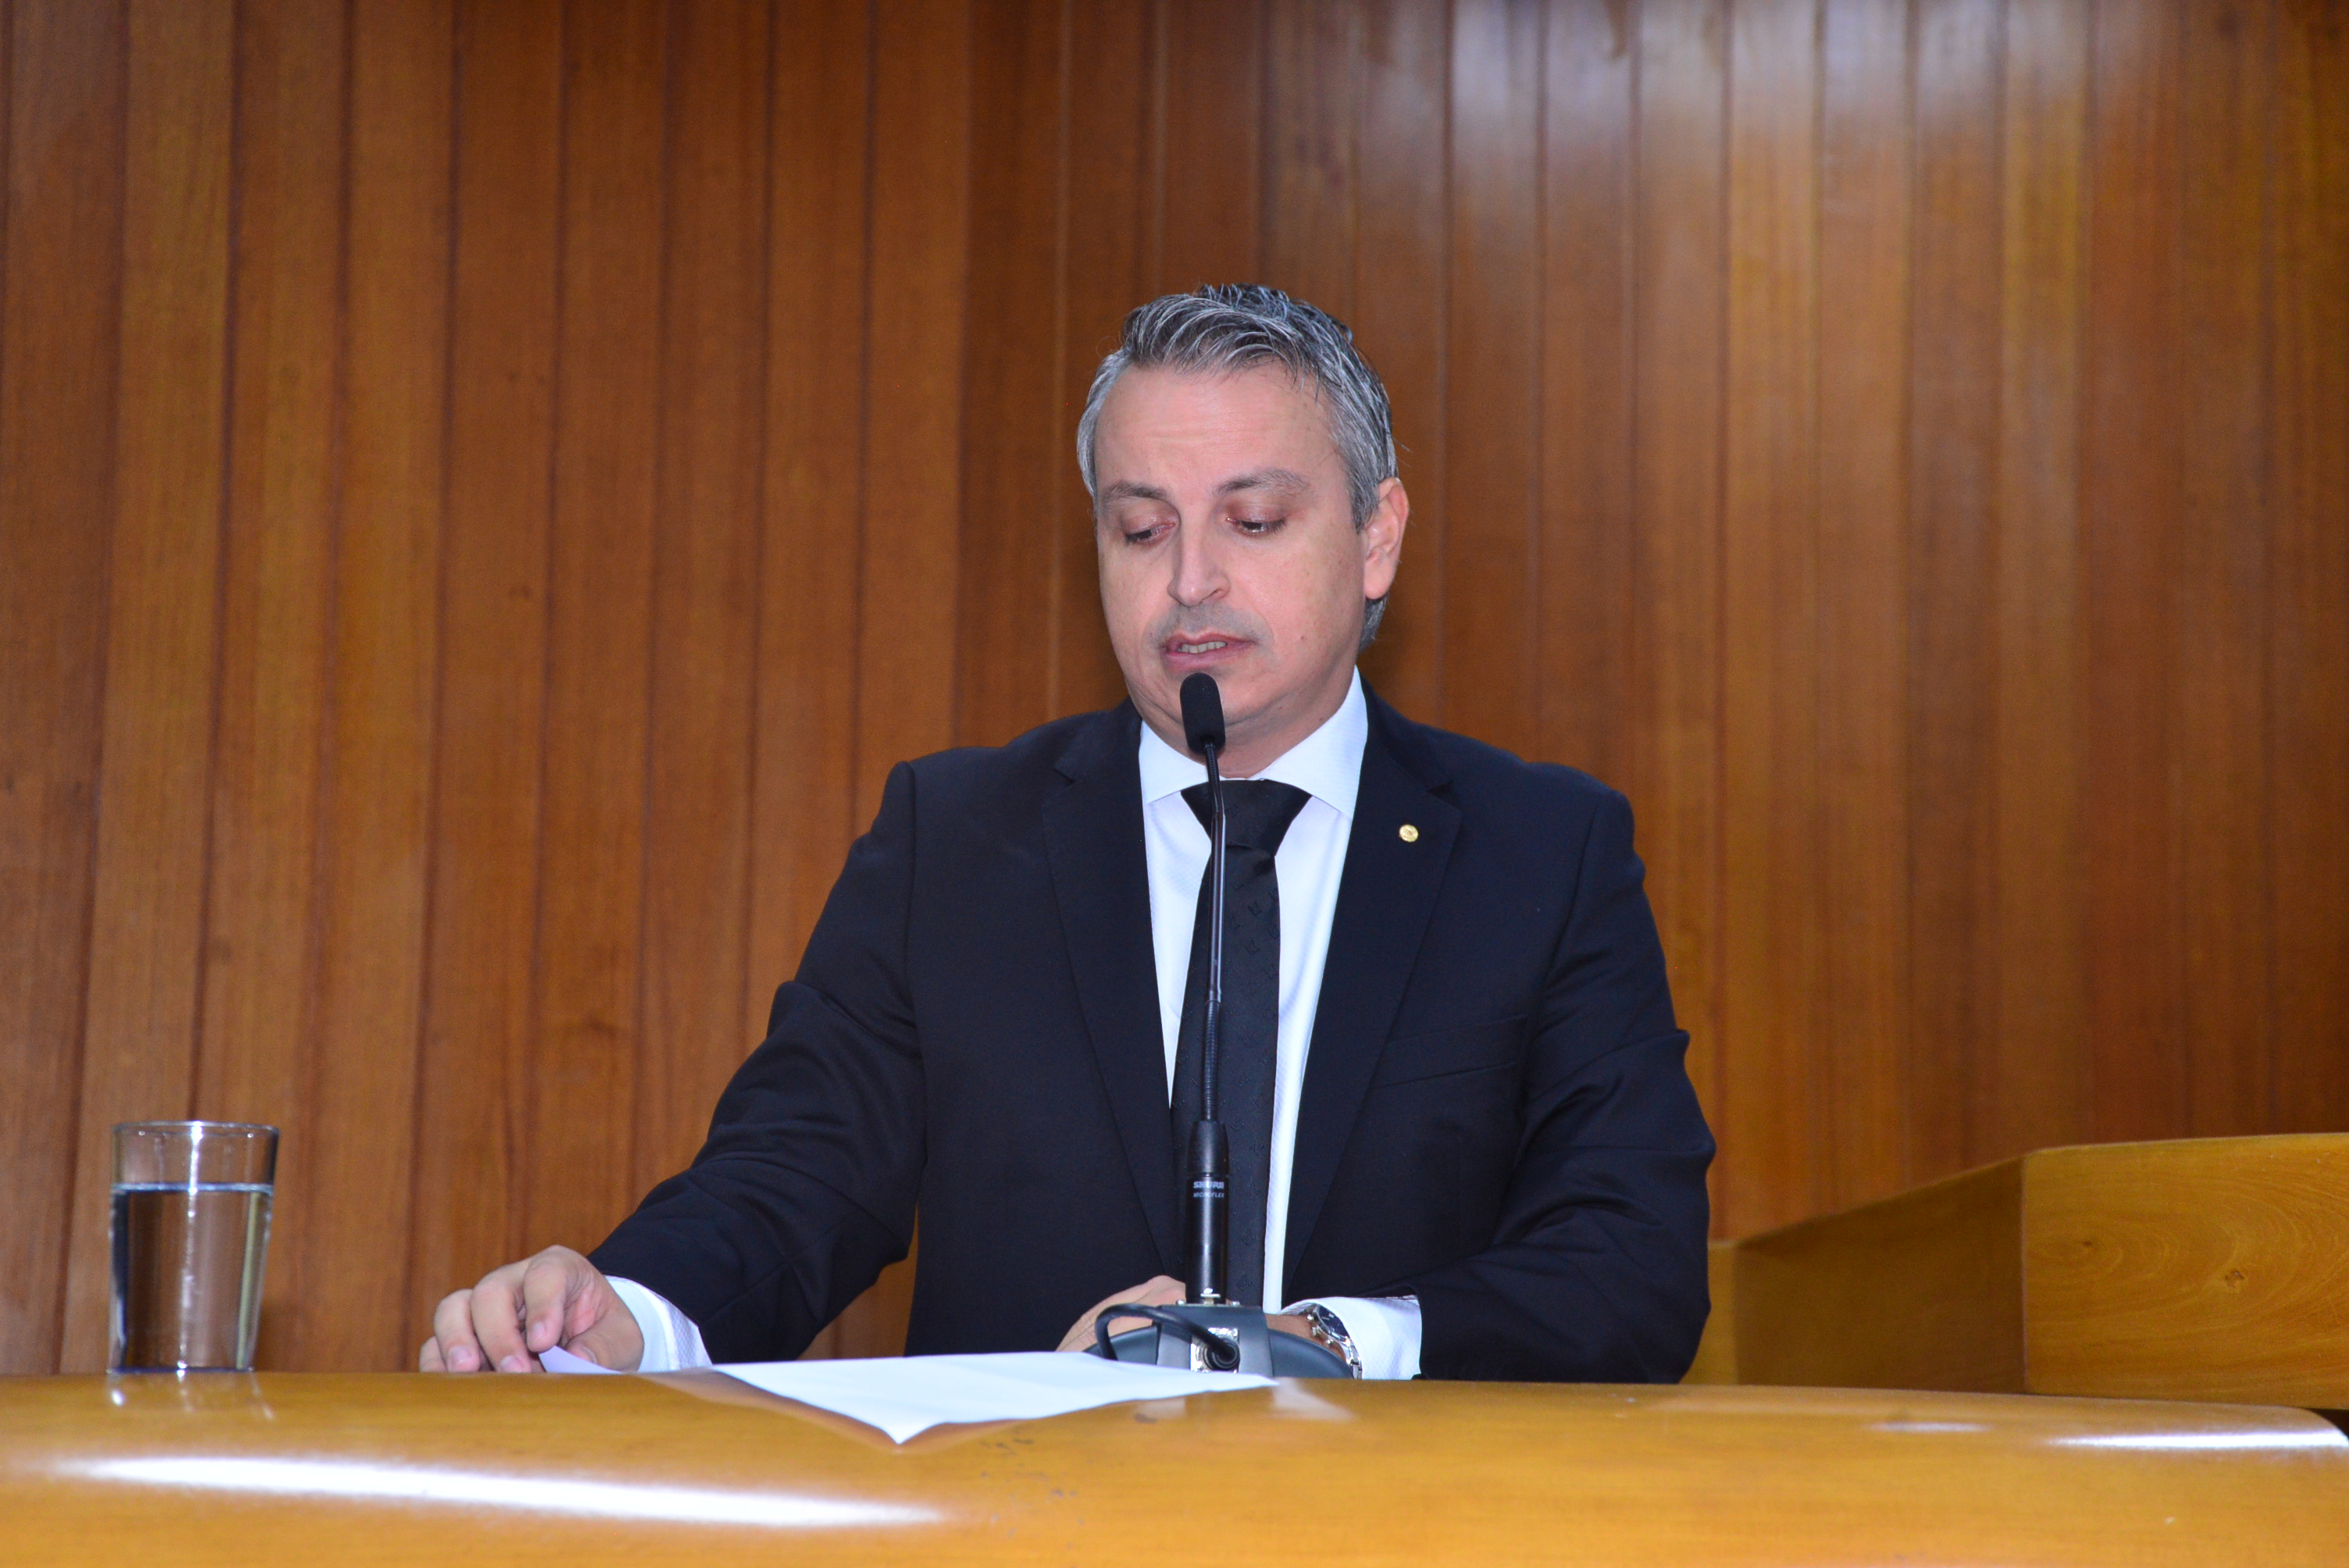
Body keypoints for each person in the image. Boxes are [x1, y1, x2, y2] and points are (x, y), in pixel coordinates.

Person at [420, 284, 1713, 1383]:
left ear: (1377, 538)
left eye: (1254, 522)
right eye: (1141, 527)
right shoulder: (955, 843)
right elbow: (790, 1179)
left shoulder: (1543, 855)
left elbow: (1631, 1263)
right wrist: (623, 1316)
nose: (1190, 580)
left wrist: (1328, 1341)